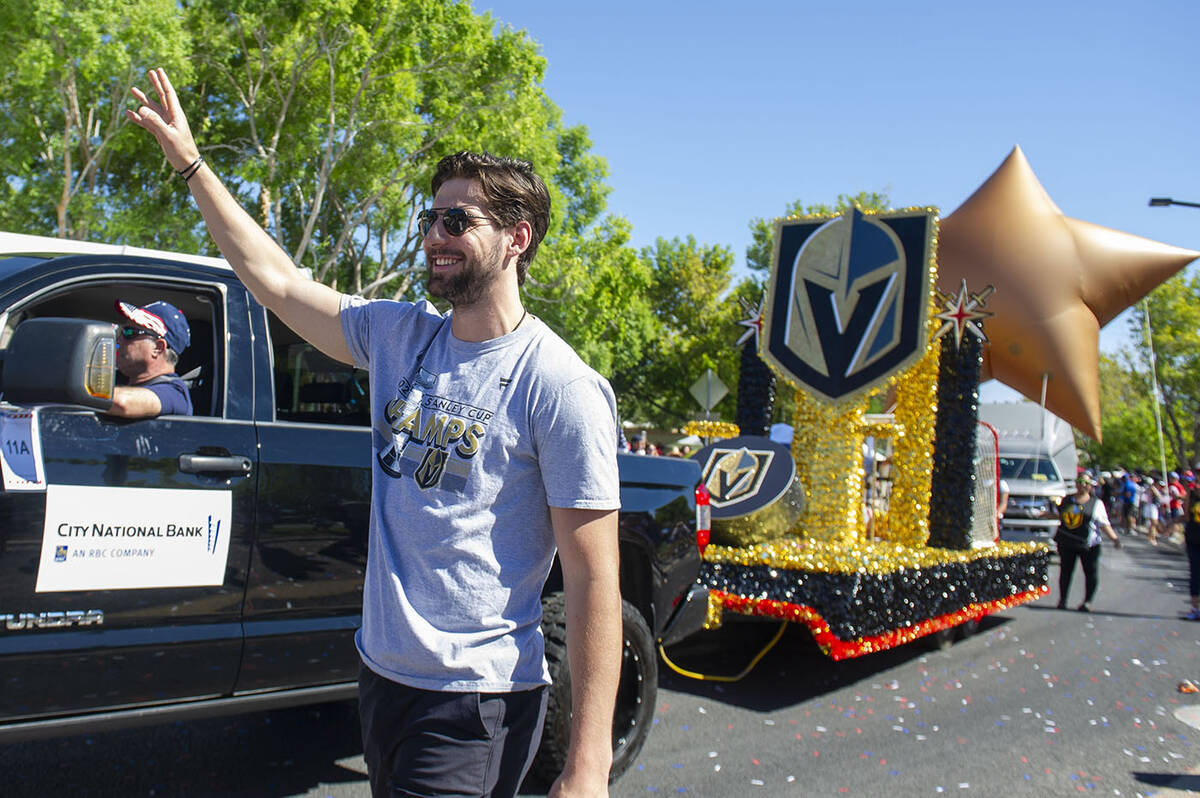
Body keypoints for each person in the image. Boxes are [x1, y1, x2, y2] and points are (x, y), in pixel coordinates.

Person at [126, 69, 621, 797]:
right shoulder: (398, 335)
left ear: (518, 237)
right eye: (432, 218)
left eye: (458, 221)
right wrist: (194, 168)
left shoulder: (559, 383)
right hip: (383, 678)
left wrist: (588, 766)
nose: (435, 236)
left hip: (476, 701)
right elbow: (281, 283)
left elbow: (593, 580)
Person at [108, 299, 193, 418]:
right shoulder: (120, 380)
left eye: (129, 333)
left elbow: (123, 403)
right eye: (121, 332)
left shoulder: (174, 393)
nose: (118, 340)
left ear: (158, 348)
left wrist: (80, 389)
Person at [1054, 473, 1121, 613]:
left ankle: (1087, 601)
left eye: (1086, 483)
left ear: (1090, 486)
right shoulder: (1066, 500)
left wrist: (1114, 539)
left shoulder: (1096, 503)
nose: (1082, 485)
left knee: (1090, 572)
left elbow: (1104, 524)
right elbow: (1057, 514)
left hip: (1089, 544)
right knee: (1065, 571)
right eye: (1080, 481)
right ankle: (1062, 600)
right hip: (1067, 541)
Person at [1183, 482, 1200, 621]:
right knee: (1195, 574)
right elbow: (1186, 515)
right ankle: (1195, 609)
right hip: (1194, 539)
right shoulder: (1192, 494)